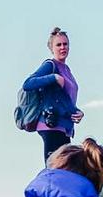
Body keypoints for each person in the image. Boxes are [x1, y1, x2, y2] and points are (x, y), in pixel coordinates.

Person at [20, 26, 85, 160]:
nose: (63, 47)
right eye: (58, 45)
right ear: (52, 48)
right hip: (51, 125)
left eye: (65, 44)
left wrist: (77, 112)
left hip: (65, 128)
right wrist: (53, 77)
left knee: (65, 169)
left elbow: (64, 100)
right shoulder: (50, 65)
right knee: (55, 168)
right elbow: (27, 84)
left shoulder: (67, 70)